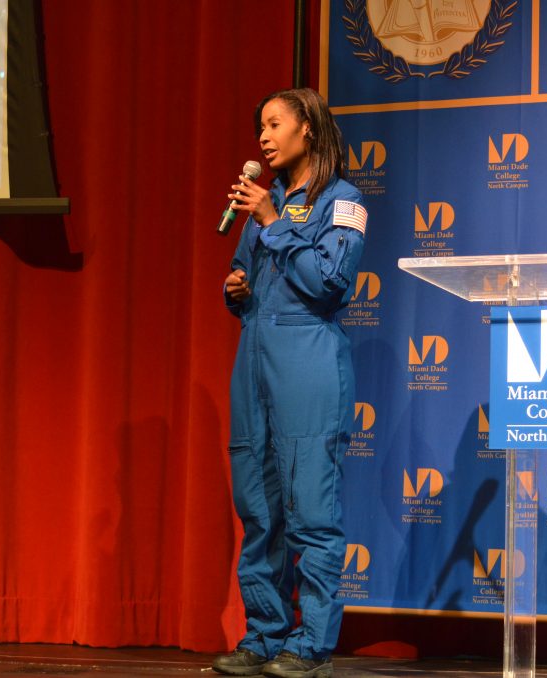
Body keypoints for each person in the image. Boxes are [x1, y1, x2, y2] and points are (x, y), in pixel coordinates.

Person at [212, 88, 367, 678]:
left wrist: (274, 223)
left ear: (308, 128)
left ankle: (311, 644)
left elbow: (330, 283)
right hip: (255, 358)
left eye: (275, 124)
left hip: (308, 360)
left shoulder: (343, 201)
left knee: (311, 513)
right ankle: (263, 634)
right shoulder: (263, 203)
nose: (264, 138)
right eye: (260, 130)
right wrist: (235, 288)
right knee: (259, 508)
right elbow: (249, 276)